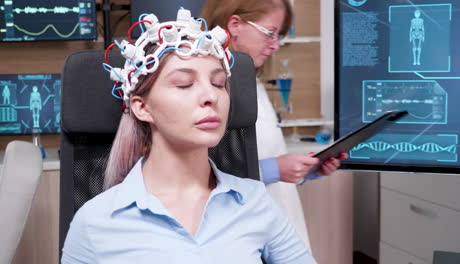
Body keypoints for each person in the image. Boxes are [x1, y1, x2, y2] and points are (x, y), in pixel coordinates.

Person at [61, 9, 317, 263]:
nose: (211, 96)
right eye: (184, 84)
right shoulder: (95, 222)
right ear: (142, 107)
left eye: (218, 84)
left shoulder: (255, 201)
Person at [201, 0, 348, 250]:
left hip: (277, 225)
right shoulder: (207, 87)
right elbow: (200, 177)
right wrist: (274, 170)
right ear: (234, 25)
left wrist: (306, 169)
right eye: (270, 33)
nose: (276, 44)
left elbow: (260, 157)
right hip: (240, 236)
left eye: (279, 35)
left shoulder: (249, 81)